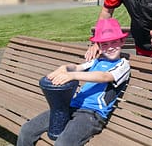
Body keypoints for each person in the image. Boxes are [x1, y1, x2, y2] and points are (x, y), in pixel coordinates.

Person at [17, 18, 130, 146]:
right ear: (98, 46)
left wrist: (72, 76)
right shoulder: (96, 61)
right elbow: (76, 67)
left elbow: (104, 76)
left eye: (114, 42)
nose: (110, 48)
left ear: (122, 41)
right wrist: (64, 68)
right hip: (70, 106)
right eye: (104, 44)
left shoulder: (123, 65)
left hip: (91, 115)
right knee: (27, 130)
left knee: (62, 144)